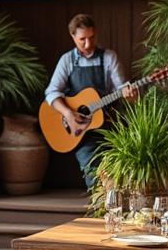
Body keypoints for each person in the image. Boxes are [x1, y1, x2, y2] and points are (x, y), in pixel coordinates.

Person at [44, 13, 136, 189]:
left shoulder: (109, 57)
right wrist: (68, 113)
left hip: (109, 126)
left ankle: (113, 203)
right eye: (82, 39)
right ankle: (100, 204)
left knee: (118, 172)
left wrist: (130, 94)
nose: (88, 44)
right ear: (72, 36)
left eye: (92, 37)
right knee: (93, 174)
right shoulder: (67, 60)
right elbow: (51, 92)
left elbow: (122, 89)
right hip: (82, 132)